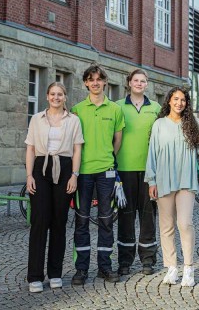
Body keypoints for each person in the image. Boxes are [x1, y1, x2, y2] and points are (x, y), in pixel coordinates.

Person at [25, 82, 84, 293]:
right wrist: (29, 175)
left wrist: (74, 176)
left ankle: (56, 273)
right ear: (47, 96)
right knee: (39, 221)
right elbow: (30, 149)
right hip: (41, 167)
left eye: (60, 94)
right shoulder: (36, 119)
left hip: (65, 168)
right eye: (52, 94)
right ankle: (34, 276)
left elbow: (77, 150)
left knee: (59, 222)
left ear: (65, 97)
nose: (56, 97)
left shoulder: (74, 120)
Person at [71, 64, 125, 285]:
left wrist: (108, 157)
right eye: (91, 79)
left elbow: (118, 138)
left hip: (106, 171)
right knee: (81, 220)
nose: (95, 83)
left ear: (105, 82)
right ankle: (81, 269)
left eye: (99, 79)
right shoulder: (76, 109)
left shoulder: (114, 109)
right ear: (85, 82)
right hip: (82, 172)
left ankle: (105, 266)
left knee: (105, 220)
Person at [145, 87, 199, 287]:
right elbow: (152, 152)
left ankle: (188, 268)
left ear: (187, 103)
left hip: (186, 179)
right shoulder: (159, 124)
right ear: (169, 101)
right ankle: (171, 267)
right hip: (163, 179)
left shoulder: (192, 124)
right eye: (176, 99)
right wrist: (151, 180)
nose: (179, 103)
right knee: (166, 225)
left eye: (183, 100)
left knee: (185, 223)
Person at [116, 69, 161, 276]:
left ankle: (148, 259)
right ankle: (124, 261)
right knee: (125, 216)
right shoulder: (117, 107)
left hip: (149, 172)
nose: (139, 84)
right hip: (123, 170)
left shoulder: (157, 108)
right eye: (136, 80)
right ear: (129, 82)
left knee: (148, 216)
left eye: (143, 81)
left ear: (147, 84)